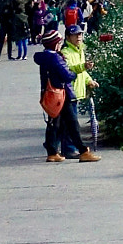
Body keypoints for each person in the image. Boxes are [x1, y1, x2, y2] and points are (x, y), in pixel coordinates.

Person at [35, 29, 98, 163]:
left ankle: (52, 152)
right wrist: (75, 74)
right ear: (54, 43)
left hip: (50, 94)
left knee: (54, 123)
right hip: (63, 94)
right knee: (72, 124)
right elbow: (66, 75)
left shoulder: (44, 57)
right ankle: (83, 151)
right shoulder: (55, 57)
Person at [63, 25, 102, 144]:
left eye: (80, 34)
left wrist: (89, 80)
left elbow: (82, 72)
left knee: (72, 122)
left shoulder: (80, 50)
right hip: (69, 91)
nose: (78, 37)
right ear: (68, 37)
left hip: (77, 92)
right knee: (70, 123)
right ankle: (70, 148)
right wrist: (83, 66)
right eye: (75, 35)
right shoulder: (66, 52)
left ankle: (71, 147)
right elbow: (69, 69)